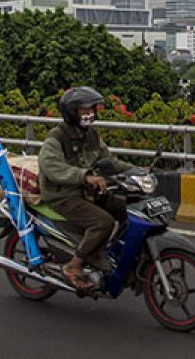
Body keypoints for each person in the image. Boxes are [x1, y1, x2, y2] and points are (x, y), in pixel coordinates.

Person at [38, 86, 133, 290]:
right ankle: (74, 265)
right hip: (63, 194)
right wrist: (85, 176)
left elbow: (108, 161)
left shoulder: (91, 136)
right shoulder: (56, 138)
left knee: (123, 207)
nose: (89, 113)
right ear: (72, 113)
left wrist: (136, 171)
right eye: (83, 110)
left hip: (86, 192)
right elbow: (52, 167)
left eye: (91, 109)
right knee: (103, 222)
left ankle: (107, 251)